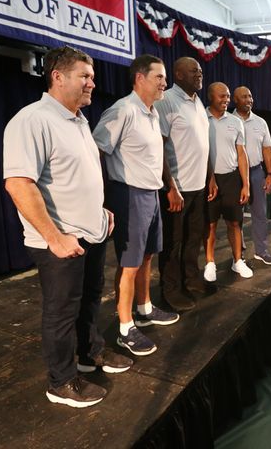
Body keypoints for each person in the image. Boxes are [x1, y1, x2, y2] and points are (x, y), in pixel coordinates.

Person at [3, 46, 129, 408]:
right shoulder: (33, 120)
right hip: (59, 241)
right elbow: (19, 184)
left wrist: (100, 211)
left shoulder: (77, 120)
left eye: (92, 76)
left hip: (90, 232)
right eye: (84, 76)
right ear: (58, 77)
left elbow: (74, 177)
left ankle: (89, 357)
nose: (93, 82)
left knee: (89, 301)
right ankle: (61, 382)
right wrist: (54, 237)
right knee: (61, 313)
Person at [92, 55, 179, 358]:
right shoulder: (122, 110)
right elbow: (96, 151)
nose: (164, 83)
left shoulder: (152, 113)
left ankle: (143, 308)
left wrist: (168, 187)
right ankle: (125, 328)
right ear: (140, 78)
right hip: (128, 195)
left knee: (147, 257)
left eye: (164, 77)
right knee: (129, 264)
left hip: (150, 194)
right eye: (159, 77)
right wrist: (98, 198)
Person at [157, 57, 216, 312]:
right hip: (177, 189)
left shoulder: (197, 103)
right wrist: (170, 187)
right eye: (194, 71)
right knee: (173, 243)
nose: (199, 74)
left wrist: (210, 176)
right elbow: (158, 146)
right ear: (178, 74)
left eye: (200, 71)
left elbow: (203, 145)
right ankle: (171, 291)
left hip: (198, 186)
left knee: (193, 239)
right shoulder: (167, 101)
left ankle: (191, 280)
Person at [202, 83, 252, 283]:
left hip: (232, 178)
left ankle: (237, 260)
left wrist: (246, 184)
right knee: (211, 224)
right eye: (222, 96)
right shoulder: (200, 119)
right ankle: (210, 262)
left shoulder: (235, 121)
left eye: (229, 96)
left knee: (235, 222)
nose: (226, 100)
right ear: (210, 97)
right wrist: (210, 177)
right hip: (208, 179)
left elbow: (242, 153)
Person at [232, 86, 271, 265]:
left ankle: (261, 250)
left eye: (250, 96)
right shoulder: (227, 121)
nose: (249, 99)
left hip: (257, 173)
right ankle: (238, 254)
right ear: (235, 100)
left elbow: (268, 149)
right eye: (244, 97)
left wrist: (270, 174)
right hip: (233, 175)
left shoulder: (261, 122)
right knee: (236, 217)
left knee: (260, 214)